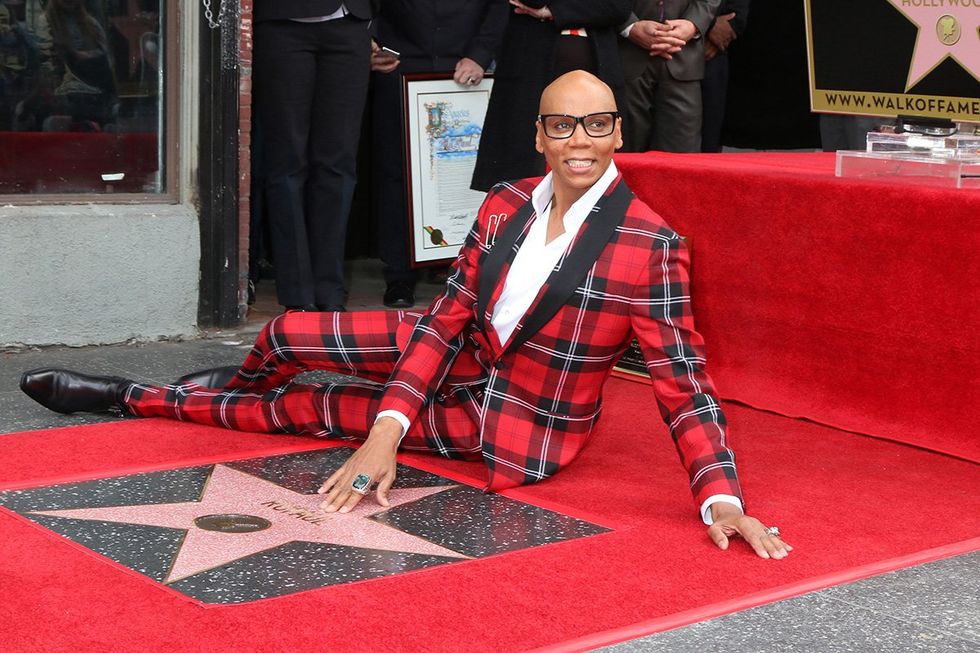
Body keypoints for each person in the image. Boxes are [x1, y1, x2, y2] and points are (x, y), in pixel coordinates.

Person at [21, 71, 790, 559]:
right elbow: (448, 314)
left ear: (619, 132)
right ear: (539, 133)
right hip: (459, 351)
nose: (578, 140)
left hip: (513, 419)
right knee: (288, 330)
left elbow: (683, 384)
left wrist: (722, 500)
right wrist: (392, 424)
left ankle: (131, 393)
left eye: (595, 124)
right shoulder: (505, 201)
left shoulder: (649, 244)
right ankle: (240, 380)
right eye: (562, 124)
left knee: (305, 406)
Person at [370, 0, 508, 308]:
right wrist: (370, 42)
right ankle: (399, 275)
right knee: (397, 174)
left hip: (466, 67)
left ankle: (464, 272)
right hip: (400, 65)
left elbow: (500, 6)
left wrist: (480, 54)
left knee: (463, 175)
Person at [252, 0, 377, 312]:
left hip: (350, 26)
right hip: (283, 25)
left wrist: (377, 27)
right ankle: (297, 294)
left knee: (339, 163)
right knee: (288, 163)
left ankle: (330, 290)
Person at [470, 0, 632, 192]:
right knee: (527, 176)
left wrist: (553, 11)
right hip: (529, 74)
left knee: (596, 163)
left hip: (597, 70)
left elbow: (617, 8)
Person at [618, 0, 720, 152]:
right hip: (626, 57)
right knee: (624, 154)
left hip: (684, 59)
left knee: (681, 161)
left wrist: (693, 23)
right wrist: (630, 26)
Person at [700, 0, 748, 152]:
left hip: (711, 55)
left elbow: (733, 18)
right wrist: (704, 25)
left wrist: (733, 22)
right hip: (654, 33)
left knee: (709, 143)